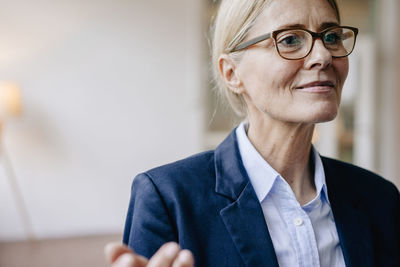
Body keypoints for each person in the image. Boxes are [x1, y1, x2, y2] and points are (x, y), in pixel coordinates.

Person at [105, 0, 400, 266]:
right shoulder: (168, 198)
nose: (323, 56)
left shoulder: (380, 199)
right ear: (232, 73)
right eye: (290, 39)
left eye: (332, 37)